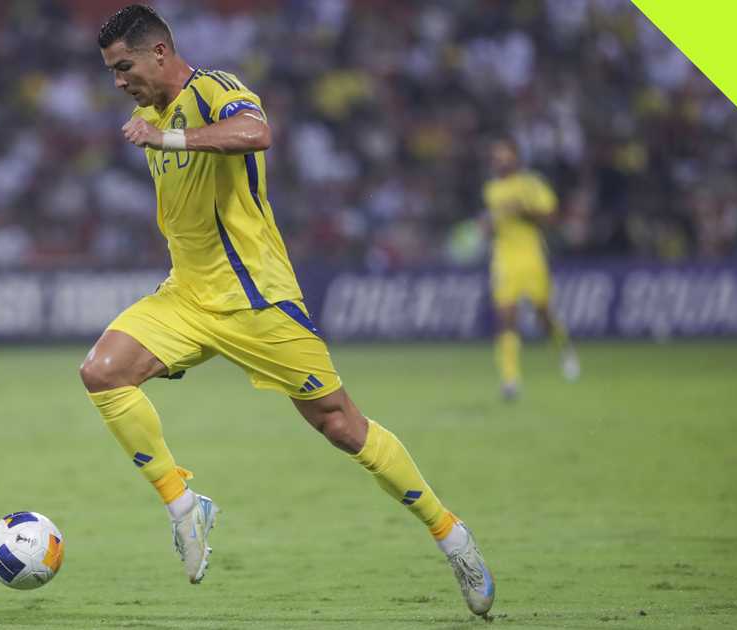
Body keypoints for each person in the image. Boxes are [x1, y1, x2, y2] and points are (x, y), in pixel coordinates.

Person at [81, 5, 494, 617]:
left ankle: (451, 536)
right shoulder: (147, 118)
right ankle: (185, 505)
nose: (119, 82)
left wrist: (170, 137)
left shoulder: (215, 91)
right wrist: (159, 135)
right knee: (102, 372)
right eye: (112, 71)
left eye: (125, 67)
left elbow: (256, 134)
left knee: (341, 426)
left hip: (257, 299)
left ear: (160, 53)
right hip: (187, 296)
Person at [482, 138, 580, 400]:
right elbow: (494, 224)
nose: (500, 161)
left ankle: (564, 348)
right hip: (504, 259)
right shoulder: (491, 189)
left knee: (543, 314)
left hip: (532, 257)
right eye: (497, 156)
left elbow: (551, 217)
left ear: (516, 157)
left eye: (505, 155)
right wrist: (487, 228)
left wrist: (523, 210)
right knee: (506, 316)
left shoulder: (532, 184)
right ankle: (510, 380)